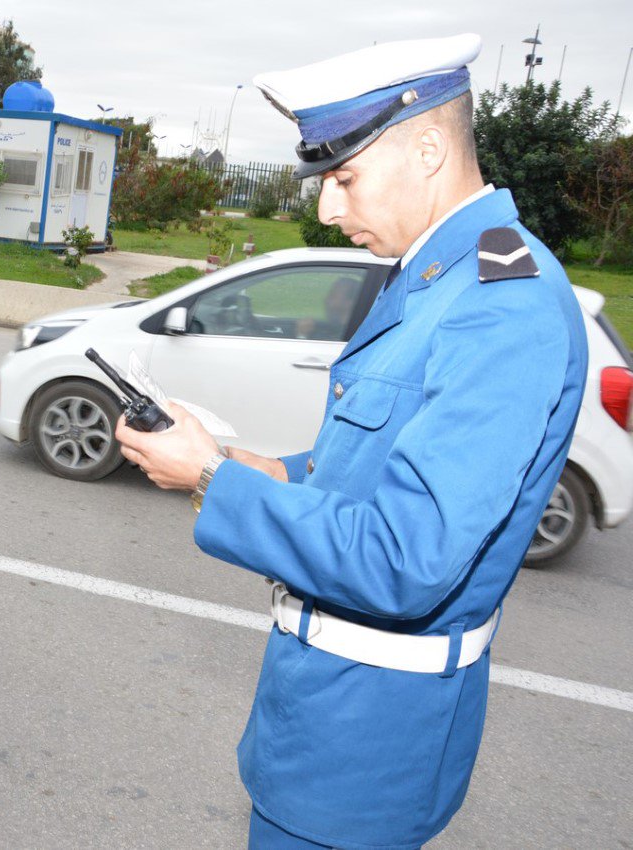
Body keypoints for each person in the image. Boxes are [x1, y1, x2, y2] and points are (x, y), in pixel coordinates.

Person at [115, 33, 586, 850]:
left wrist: (218, 477)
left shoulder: (501, 304)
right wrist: (271, 470)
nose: (328, 209)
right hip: (323, 716)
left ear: (431, 148)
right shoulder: (438, 275)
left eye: (344, 176)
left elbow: (406, 558)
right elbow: (368, 461)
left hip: (363, 751)